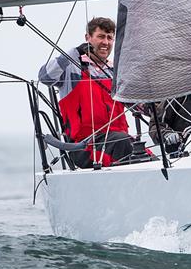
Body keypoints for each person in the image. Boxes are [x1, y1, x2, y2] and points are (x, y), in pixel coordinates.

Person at [38, 17, 134, 168]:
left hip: (120, 143)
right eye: (101, 36)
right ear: (88, 38)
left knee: (151, 158)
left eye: (110, 38)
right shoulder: (72, 68)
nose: (106, 43)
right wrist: (73, 53)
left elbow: (138, 105)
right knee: (121, 142)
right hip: (85, 146)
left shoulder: (115, 72)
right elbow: (45, 77)